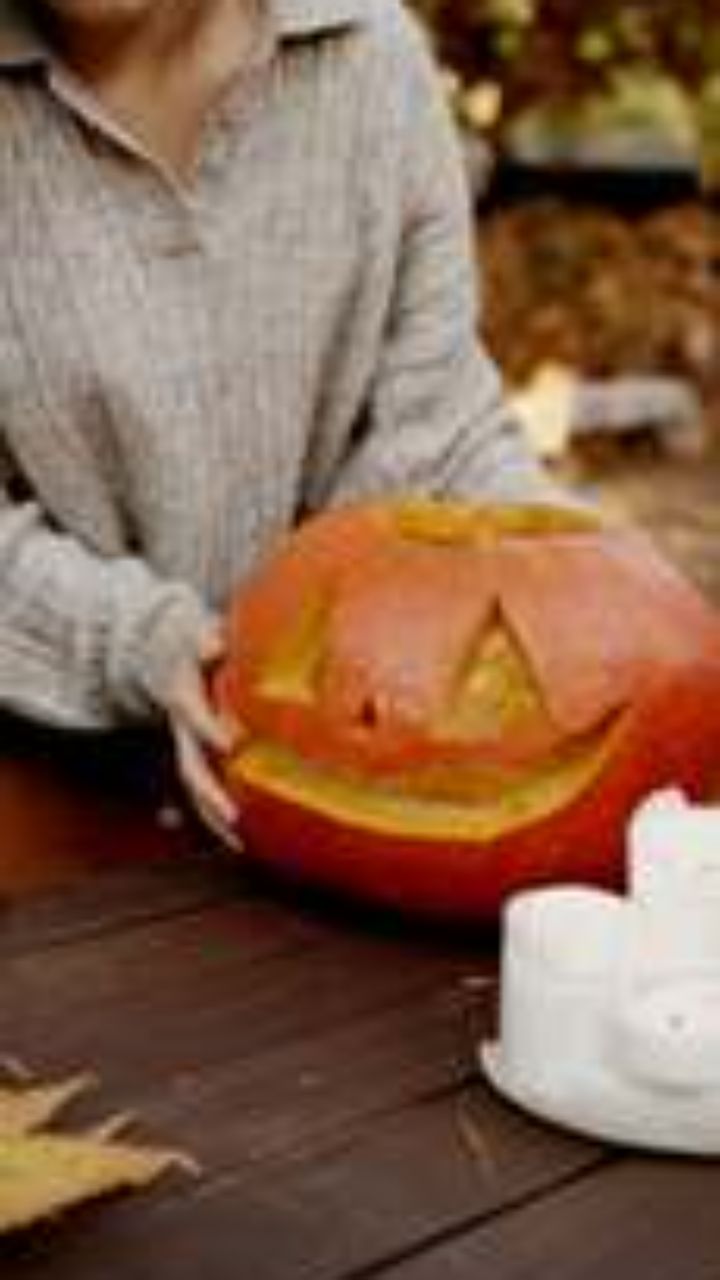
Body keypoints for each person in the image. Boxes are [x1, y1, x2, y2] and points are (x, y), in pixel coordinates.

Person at [0, 0, 565, 846]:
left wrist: (592, 590)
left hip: (353, 764)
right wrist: (144, 642)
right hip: (45, 796)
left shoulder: (370, 58)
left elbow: (444, 431)